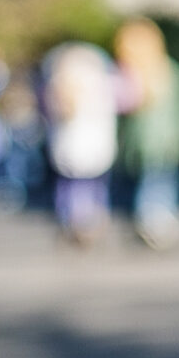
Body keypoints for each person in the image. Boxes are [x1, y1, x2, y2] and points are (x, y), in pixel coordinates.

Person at [113, 19, 179, 249]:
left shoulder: (130, 75)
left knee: (149, 183)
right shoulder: (170, 70)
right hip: (167, 141)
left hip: (140, 144)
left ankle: (150, 221)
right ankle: (159, 222)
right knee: (161, 182)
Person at [41, 40, 119, 246]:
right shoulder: (101, 82)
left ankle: (73, 221)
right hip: (95, 147)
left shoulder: (58, 85)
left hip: (72, 150)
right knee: (94, 186)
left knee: (71, 186)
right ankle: (90, 221)